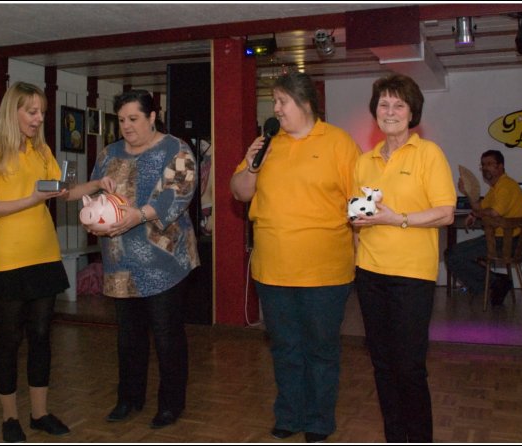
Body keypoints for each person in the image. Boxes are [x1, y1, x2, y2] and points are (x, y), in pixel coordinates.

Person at [229, 72, 359, 444]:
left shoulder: (338, 143)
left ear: (304, 103)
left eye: (282, 101)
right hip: (272, 270)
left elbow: (358, 203)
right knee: (285, 347)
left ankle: (319, 420)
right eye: (275, 101)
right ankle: (289, 413)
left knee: (320, 348)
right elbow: (238, 192)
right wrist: (254, 163)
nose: (277, 109)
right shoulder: (266, 143)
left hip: (325, 272)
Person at [70, 89, 199, 430]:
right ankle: (129, 398)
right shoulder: (109, 153)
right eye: (122, 120)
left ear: (152, 116)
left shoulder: (176, 149)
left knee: (167, 335)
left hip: (165, 262)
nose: (126, 126)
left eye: (134, 119)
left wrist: (137, 215)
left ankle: (171, 404)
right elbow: (97, 197)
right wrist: (95, 221)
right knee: (128, 337)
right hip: (120, 263)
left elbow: (178, 195)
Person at [350, 73, 456, 443]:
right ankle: (394, 436)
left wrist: (400, 219)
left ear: (412, 113)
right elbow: (359, 214)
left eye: (398, 105)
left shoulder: (429, 154)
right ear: (374, 112)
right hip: (369, 273)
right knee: (381, 364)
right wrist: (358, 218)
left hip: (412, 276)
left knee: (409, 367)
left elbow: (446, 212)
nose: (390, 111)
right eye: (383, 104)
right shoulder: (365, 161)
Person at [0, 81, 71, 443]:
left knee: (42, 337)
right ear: (12, 111)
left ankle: (40, 413)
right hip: (9, 260)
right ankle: (10, 417)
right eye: (31, 111)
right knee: (9, 340)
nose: (38, 118)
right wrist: (33, 198)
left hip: (46, 254)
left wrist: (94, 186)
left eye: (41, 112)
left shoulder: (41, 149)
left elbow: (57, 190)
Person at [444, 150, 522, 305]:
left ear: (500, 166)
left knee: (452, 255)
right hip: (500, 241)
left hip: (504, 243)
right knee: (454, 254)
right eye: (483, 165)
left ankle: (494, 283)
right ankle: (496, 282)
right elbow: (479, 207)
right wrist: (468, 194)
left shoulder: (505, 186)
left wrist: (478, 213)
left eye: (489, 164)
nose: (485, 168)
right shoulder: (496, 188)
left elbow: (494, 212)